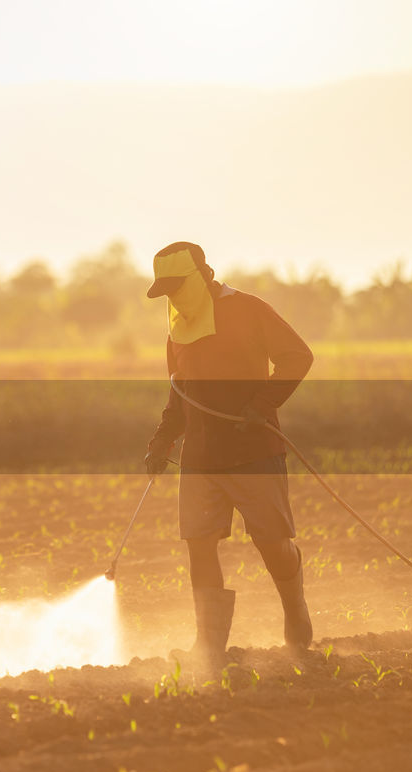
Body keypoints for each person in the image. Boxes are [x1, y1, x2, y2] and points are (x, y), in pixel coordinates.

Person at [143, 241, 314, 675]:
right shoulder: (177, 329)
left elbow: (297, 356)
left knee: (272, 543)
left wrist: (262, 404)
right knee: (200, 546)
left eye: (177, 285)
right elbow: (178, 390)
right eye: (165, 290)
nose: (172, 297)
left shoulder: (248, 309)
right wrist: (164, 438)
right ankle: (208, 647)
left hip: (253, 450)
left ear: (203, 275)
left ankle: (295, 612)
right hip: (201, 458)